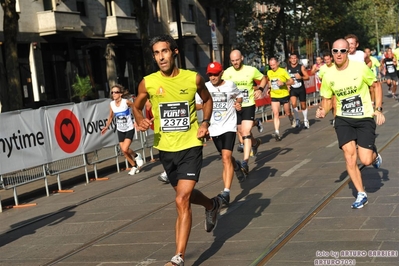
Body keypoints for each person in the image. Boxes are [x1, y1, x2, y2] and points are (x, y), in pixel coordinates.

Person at [132, 34, 222, 266]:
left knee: (181, 199)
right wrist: (140, 118)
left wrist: (205, 123)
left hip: (190, 145)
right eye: (156, 53)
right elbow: (137, 105)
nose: (161, 57)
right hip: (166, 148)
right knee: (187, 196)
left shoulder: (193, 79)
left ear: (174, 52)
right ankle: (212, 205)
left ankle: (178, 257)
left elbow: (207, 99)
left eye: (164, 51)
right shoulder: (148, 82)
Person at [316, 39, 385, 209]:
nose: (339, 54)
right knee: (349, 156)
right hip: (343, 119)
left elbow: (376, 85)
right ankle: (361, 193)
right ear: (331, 53)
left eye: (342, 51)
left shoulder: (360, 68)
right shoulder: (328, 74)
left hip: (364, 118)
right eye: (335, 51)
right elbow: (326, 99)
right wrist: (322, 110)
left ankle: (374, 156)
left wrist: (377, 108)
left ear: (348, 52)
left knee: (366, 160)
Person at [205, 61, 246, 205]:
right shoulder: (205, 87)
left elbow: (239, 96)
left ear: (221, 73)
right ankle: (237, 166)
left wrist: (238, 102)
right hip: (214, 128)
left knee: (225, 158)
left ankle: (226, 192)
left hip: (228, 125)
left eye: (215, 74)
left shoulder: (230, 85)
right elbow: (198, 103)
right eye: (210, 75)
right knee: (226, 158)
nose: (212, 77)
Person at [222, 50, 267, 174]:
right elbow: (221, 86)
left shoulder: (250, 70)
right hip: (234, 106)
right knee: (241, 131)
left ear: (241, 58)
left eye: (237, 60)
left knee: (246, 131)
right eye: (233, 61)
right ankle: (255, 142)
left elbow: (263, 78)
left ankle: (245, 161)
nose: (235, 63)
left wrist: (261, 89)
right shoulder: (227, 73)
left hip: (248, 104)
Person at [101, 84, 144, 175]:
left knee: (125, 149)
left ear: (120, 94)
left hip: (129, 128)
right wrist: (106, 126)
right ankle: (134, 166)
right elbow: (111, 116)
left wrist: (136, 121)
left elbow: (135, 108)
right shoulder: (112, 104)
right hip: (120, 129)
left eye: (116, 92)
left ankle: (137, 156)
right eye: (112, 92)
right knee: (124, 152)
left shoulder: (126, 102)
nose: (114, 94)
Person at [266, 57, 295, 141]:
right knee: (275, 113)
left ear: (277, 63)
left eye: (274, 65)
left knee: (287, 112)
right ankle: (277, 132)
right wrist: (269, 88)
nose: (272, 67)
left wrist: (284, 83)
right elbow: (269, 81)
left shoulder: (283, 71)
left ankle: (291, 117)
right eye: (271, 65)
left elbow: (292, 81)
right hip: (274, 95)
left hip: (284, 95)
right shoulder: (269, 72)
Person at [287, 53, 310, 128]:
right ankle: (297, 119)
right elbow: (284, 78)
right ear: (290, 60)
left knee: (303, 105)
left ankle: (306, 120)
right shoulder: (287, 68)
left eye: (295, 58)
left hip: (300, 88)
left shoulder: (301, 67)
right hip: (292, 88)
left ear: (297, 59)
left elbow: (307, 77)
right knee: (293, 104)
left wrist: (301, 77)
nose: (293, 60)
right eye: (292, 58)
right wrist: (287, 85)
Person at [319, 51, 336, 126]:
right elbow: (320, 78)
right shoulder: (322, 68)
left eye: (328, 59)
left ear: (331, 58)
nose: (327, 61)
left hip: (335, 89)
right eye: (325, 60)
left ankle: (336, 119)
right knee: (328, 107)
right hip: (325, 90)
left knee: (335, 105)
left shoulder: (336, 66)